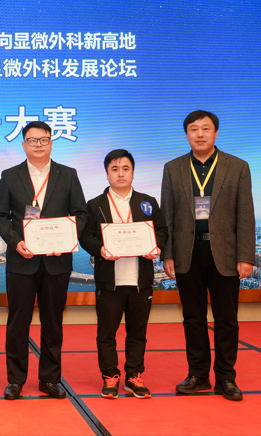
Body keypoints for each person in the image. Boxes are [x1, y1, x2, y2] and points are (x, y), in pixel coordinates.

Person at [161, 110, 255, 401]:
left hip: (224, 252)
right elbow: (167, 215)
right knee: (193, 318)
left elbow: (246, 214)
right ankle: (198, 375)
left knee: (227, 319)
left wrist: (246, 255)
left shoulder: (237, 166)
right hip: (187, 251)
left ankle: (226, 377)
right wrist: (167, 254)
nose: (199, 134)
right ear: (186, 134)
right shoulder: (173, 168)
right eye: (193, 129)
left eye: (205, 128)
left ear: (216, 133)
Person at [0, 121, 90, 400]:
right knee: (17, 323)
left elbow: (81, 214)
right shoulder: (10, 176)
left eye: (43, 139)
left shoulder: (68, 174)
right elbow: (0, 216)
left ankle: (50, 379)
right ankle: (15, 380)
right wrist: (16, 242)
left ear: (51, 143)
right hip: (21, 260)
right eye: (32, 140)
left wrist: (65, 241)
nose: (38, 144)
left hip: (56, 262)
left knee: (53, 323)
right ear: (24, 145)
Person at [80, 149, 168, 399]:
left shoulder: (147, 202)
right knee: (106, 334)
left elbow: (161, 230)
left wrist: (156, 246)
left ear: (133, 172)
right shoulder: (95, 205)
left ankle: (133, 376)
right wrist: (100, 249)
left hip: (141, 281)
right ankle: (110, 376)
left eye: (125, 169)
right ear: (107, 173)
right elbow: (85, 236)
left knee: (137, 333)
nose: (120, 174)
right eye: (115, 169)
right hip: (109, 282)